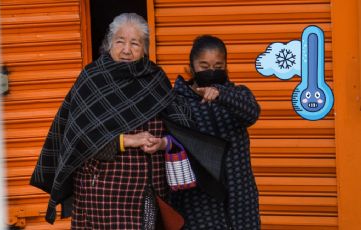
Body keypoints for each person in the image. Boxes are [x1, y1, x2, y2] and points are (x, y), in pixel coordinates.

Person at [29, 13, 191, 229]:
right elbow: (80, 142)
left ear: (145, 49)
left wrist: (162, 143)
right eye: (120, 41)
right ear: (109, 44)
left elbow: (180, 128)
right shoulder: (92, 79)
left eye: (135, 43)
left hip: (147, 192)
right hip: (102, 193)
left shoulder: (156, 78)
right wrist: (129, 140)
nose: (126, 49)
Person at [170, 35, 261, 229]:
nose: (211, 71)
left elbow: (252, 113)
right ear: (191, 67)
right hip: (198, 203)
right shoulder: (176, 103)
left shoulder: (238, 94)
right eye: (204, 66)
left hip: (241, 199)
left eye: (218, 67)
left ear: (226, 67)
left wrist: (222, 95)